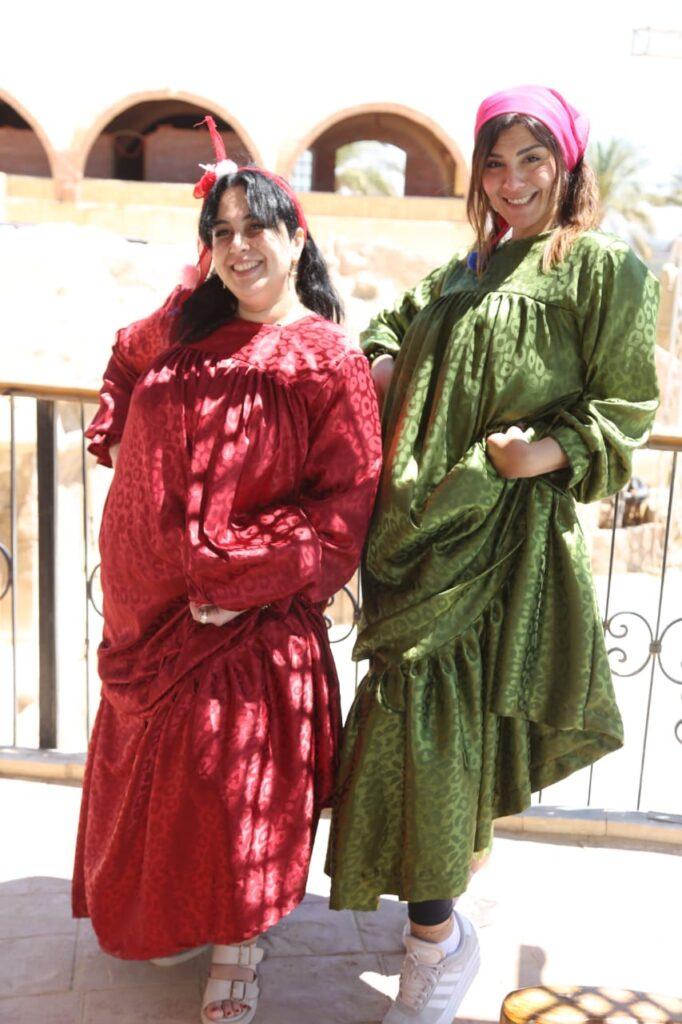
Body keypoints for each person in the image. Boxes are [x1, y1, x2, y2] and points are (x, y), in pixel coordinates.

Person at [326, 85, 660, 1024]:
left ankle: (434, 943)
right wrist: (383, 360)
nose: (513, 181)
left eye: (533, 160)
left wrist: (543, 453)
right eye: (496, 163)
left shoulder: (600, 270)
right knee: (419, 730)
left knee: (431, 730)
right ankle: (438, 919)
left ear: (568, 166)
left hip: (502, 542)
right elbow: (391, 326)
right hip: (412, 533)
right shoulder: (463, 271)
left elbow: (628, 403)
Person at [72, 119, 382, 1024]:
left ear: (297, 239)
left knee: (228, 785)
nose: (240, 246)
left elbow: (343, 509)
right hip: (147, 619)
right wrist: (122, 432)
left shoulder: (327, 360)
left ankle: (239, 945)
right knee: (160, 786)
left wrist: (237, 582)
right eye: (223, 231)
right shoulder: (185, 328)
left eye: (257, 227)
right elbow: (124, 358)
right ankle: (185, 915)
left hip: (246, 619)